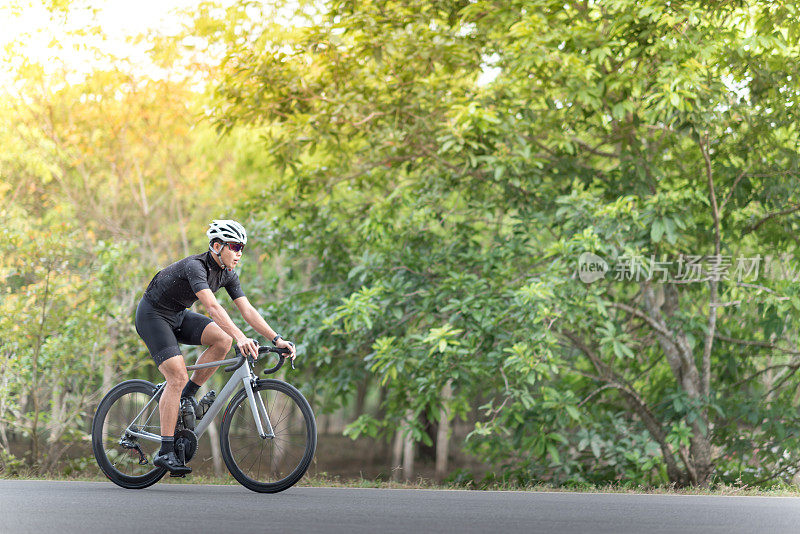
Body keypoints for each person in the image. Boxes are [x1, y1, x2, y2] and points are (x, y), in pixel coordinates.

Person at [134, 219, 296, 475]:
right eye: (234, 246)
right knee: (176, 375)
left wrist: (277, 339)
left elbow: (248, 310)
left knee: (223, 340)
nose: (239, 253)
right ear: (217, 246)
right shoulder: (195, 267)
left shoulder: (228, 275)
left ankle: (187, 395)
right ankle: (165, 451)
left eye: (242, 247)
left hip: (177, 314)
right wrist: (242, 337)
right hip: (152, 315)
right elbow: (212, 308)